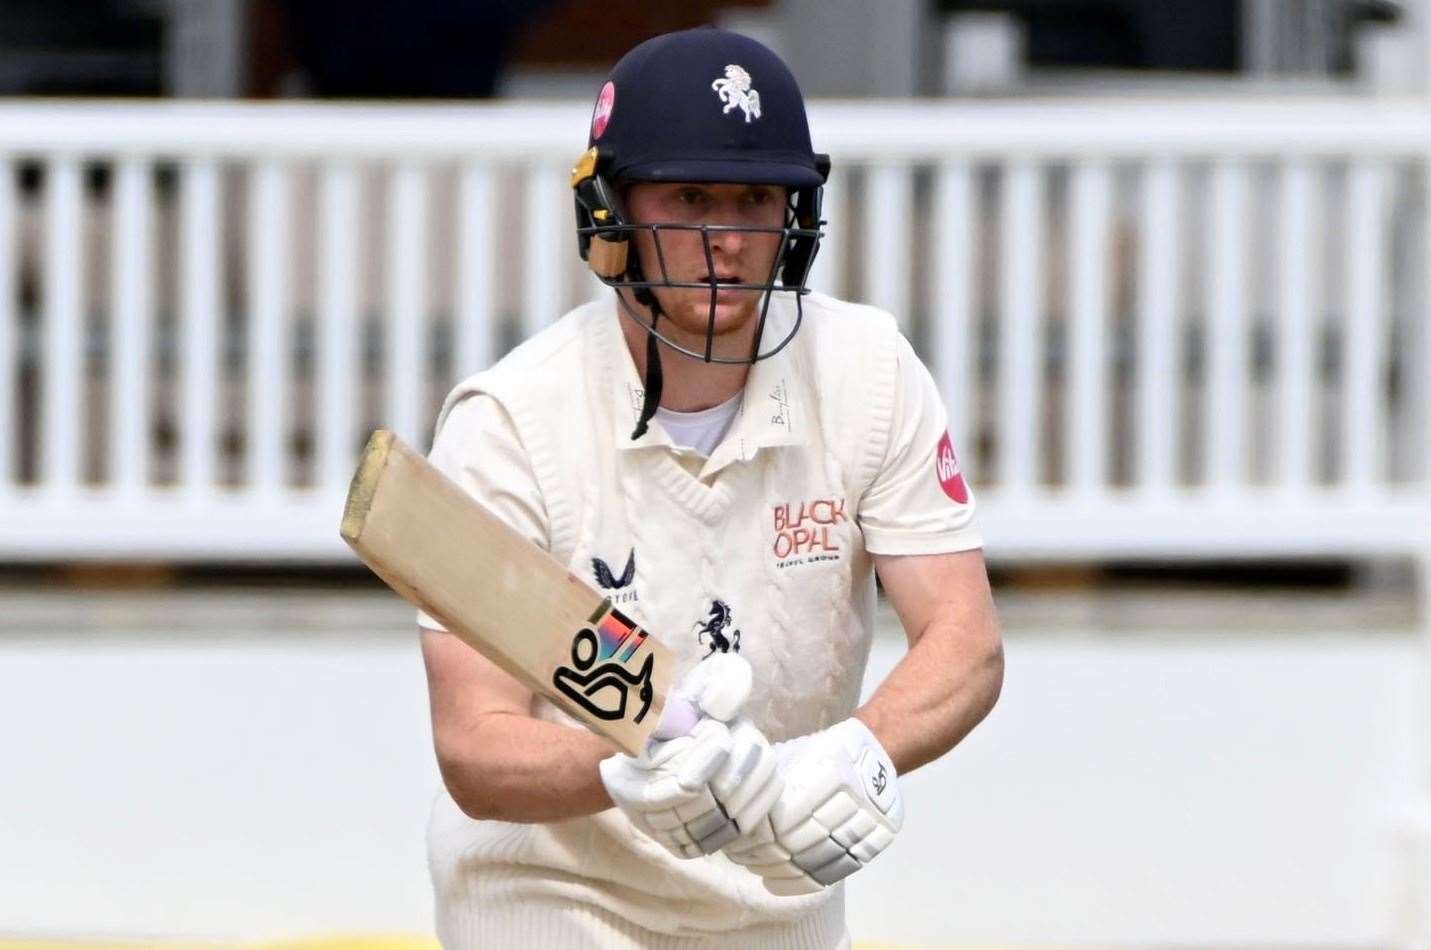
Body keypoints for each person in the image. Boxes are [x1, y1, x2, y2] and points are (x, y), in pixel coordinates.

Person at [417, 26, 1003, 950]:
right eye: (689, 198)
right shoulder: (510, 423)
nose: (725, 241)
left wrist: (855, 752)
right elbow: (475, 744)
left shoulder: (868, 374)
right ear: (610, 213)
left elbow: (964, 642)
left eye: (754, 200)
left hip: (778, 904)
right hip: (549, 893)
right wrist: (620, 769)